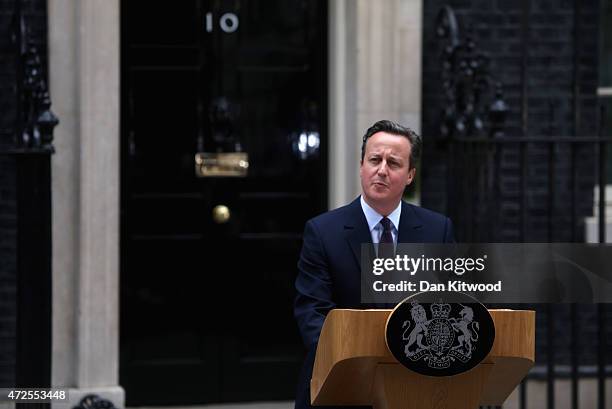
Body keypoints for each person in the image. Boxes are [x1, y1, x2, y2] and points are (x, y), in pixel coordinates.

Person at [293, 119, 454, 409]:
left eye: (393, 163)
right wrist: (362, 364)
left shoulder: (437, 231)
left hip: (415, 386)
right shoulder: (322, 231)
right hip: (339, 385)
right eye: (374, 160)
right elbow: (312, 314)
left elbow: (450, 304)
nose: (381, 170)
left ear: (409, 175)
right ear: (361, 166)